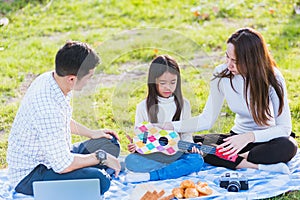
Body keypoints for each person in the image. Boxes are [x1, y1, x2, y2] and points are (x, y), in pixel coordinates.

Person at [161, 28, 298, 174]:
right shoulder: (221, 75)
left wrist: (249, 137)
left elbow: (284, 128)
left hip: (266, 140)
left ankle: (230, 158)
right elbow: (207, 119)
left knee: (288, 146)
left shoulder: (273, 78)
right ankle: (255, 165)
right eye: (227, 57)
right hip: (234, 139)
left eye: (235, 61)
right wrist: (169, 126)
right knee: (187, 144)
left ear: (252, 60)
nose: (229, 65)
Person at [7, 41, 121, 196]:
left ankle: (90, 170)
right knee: (100, 180)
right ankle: (97, 170)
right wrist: (101, 157)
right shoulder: (47, 108)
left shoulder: (51, 80)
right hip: (32, 175)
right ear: (72, 79)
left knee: (110, 143)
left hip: (55, 154)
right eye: (89, 77)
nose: (90, 82)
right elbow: (63, 166)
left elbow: (61, 121)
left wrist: (92, 133)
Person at [125, 55, 204, 183]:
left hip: (178, 154)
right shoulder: (143, 107)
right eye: (163, 83)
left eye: (173, 82)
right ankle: (177, 170)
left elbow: (186, 134)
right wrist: (137, 147)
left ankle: (152, 176)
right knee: (131, 161)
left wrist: (190, 146)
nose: (168, 87)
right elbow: (142, 137)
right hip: (153, 156)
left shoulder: (184, 104)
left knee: (196, 160)